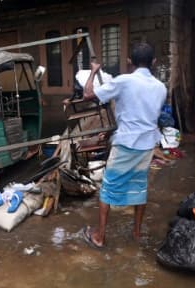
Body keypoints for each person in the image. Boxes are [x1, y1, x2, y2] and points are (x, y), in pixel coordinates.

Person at [81, 43, 167, 248]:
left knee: (108, 188)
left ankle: (100, 237)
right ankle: (136, 233)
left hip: (127, 144)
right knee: (139, 186)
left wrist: (93, 72)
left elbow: (87, 94)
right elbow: (141, 115)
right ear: (153, 62)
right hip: (147, 145)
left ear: (130, 62)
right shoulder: (161, 87)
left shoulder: (124, 81)